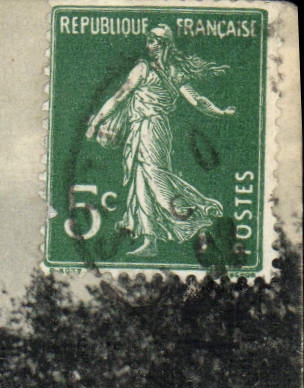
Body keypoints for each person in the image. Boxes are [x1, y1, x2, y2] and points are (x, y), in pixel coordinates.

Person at [84, 25, 236, 257]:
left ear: (163, 43)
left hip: (152, 129)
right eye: (147, 41)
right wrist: (97, 121)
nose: (148, 46)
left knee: (155, 176)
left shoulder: (154, 70)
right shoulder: (155, 70)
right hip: (141, 128)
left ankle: (198, 210)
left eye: (152, 41)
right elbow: (119, 96)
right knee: (140, 180)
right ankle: (150, 240)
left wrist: (221, 113)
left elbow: (198, 101)